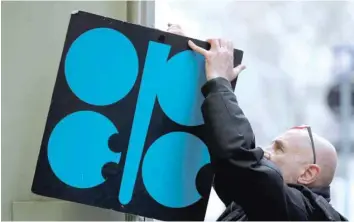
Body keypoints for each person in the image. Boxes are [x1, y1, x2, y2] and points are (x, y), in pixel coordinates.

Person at [167, 24, 348, 221]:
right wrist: (193, 64)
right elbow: (225, 158)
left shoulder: (300, 213)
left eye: (279, 149)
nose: (264, 151)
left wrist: (219, 81)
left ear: (307, 173)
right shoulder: (259, 205)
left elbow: (239, 157)